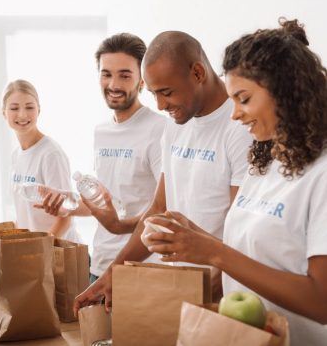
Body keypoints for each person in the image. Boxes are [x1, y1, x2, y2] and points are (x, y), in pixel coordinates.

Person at [145, 19, 327, 345]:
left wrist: (216, 254)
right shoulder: (264, 162)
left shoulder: (322, 175)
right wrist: (192, 235)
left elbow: (322, 300)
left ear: (285, 92)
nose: (234, 114)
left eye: (243, 99)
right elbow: (253, 252)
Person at [73, 31, 252, 311]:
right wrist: (113, 274)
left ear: (197, 72)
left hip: (222, 300)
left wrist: (204, 298)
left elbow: (242, 233)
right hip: (177, 290)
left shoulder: (240, 126)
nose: (160, 105)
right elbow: (158, 208)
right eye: (154, 94)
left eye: (166, 93)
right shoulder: (175, 126)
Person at [38, 33, 167, 282]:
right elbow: (105, 204)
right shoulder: (101, 132)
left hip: (144, 268)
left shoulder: (160, 130)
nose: (114, 84)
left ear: (142, 81)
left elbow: (165, 208)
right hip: (99, 266)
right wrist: (67, 204)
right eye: (106, 74)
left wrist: (118, 226)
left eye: (124, 75)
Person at [2, 79, 82, 242]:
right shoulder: (16, 155)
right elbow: (24, 213)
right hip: (34, 251)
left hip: (57, 252)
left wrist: (41, 250)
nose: (22, 114)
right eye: (14, 108)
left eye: (29, 107)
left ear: (39, 110)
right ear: (4, 113)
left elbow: (65, 217)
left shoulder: (51, 154)